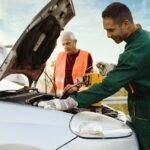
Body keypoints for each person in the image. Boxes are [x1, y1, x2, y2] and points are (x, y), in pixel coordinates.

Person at [39, 2, 150, 150]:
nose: (108, 35)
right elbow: (134, 70)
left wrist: (71, 102)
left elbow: (108, 86)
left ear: (126, 23)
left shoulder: (138, 49)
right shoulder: (140, 39)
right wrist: (113, 69)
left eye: (111, 30)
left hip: (146, 107)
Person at [50, 31, 93, 97]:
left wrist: (76, 88)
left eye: (68, 43)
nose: (65, 46)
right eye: (63, 44)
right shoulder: (59, 56)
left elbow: (90, 79)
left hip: (78, 97)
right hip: (60, 97)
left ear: (75, 42)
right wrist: (51, 95)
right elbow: (54, 78)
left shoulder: (86, 56)